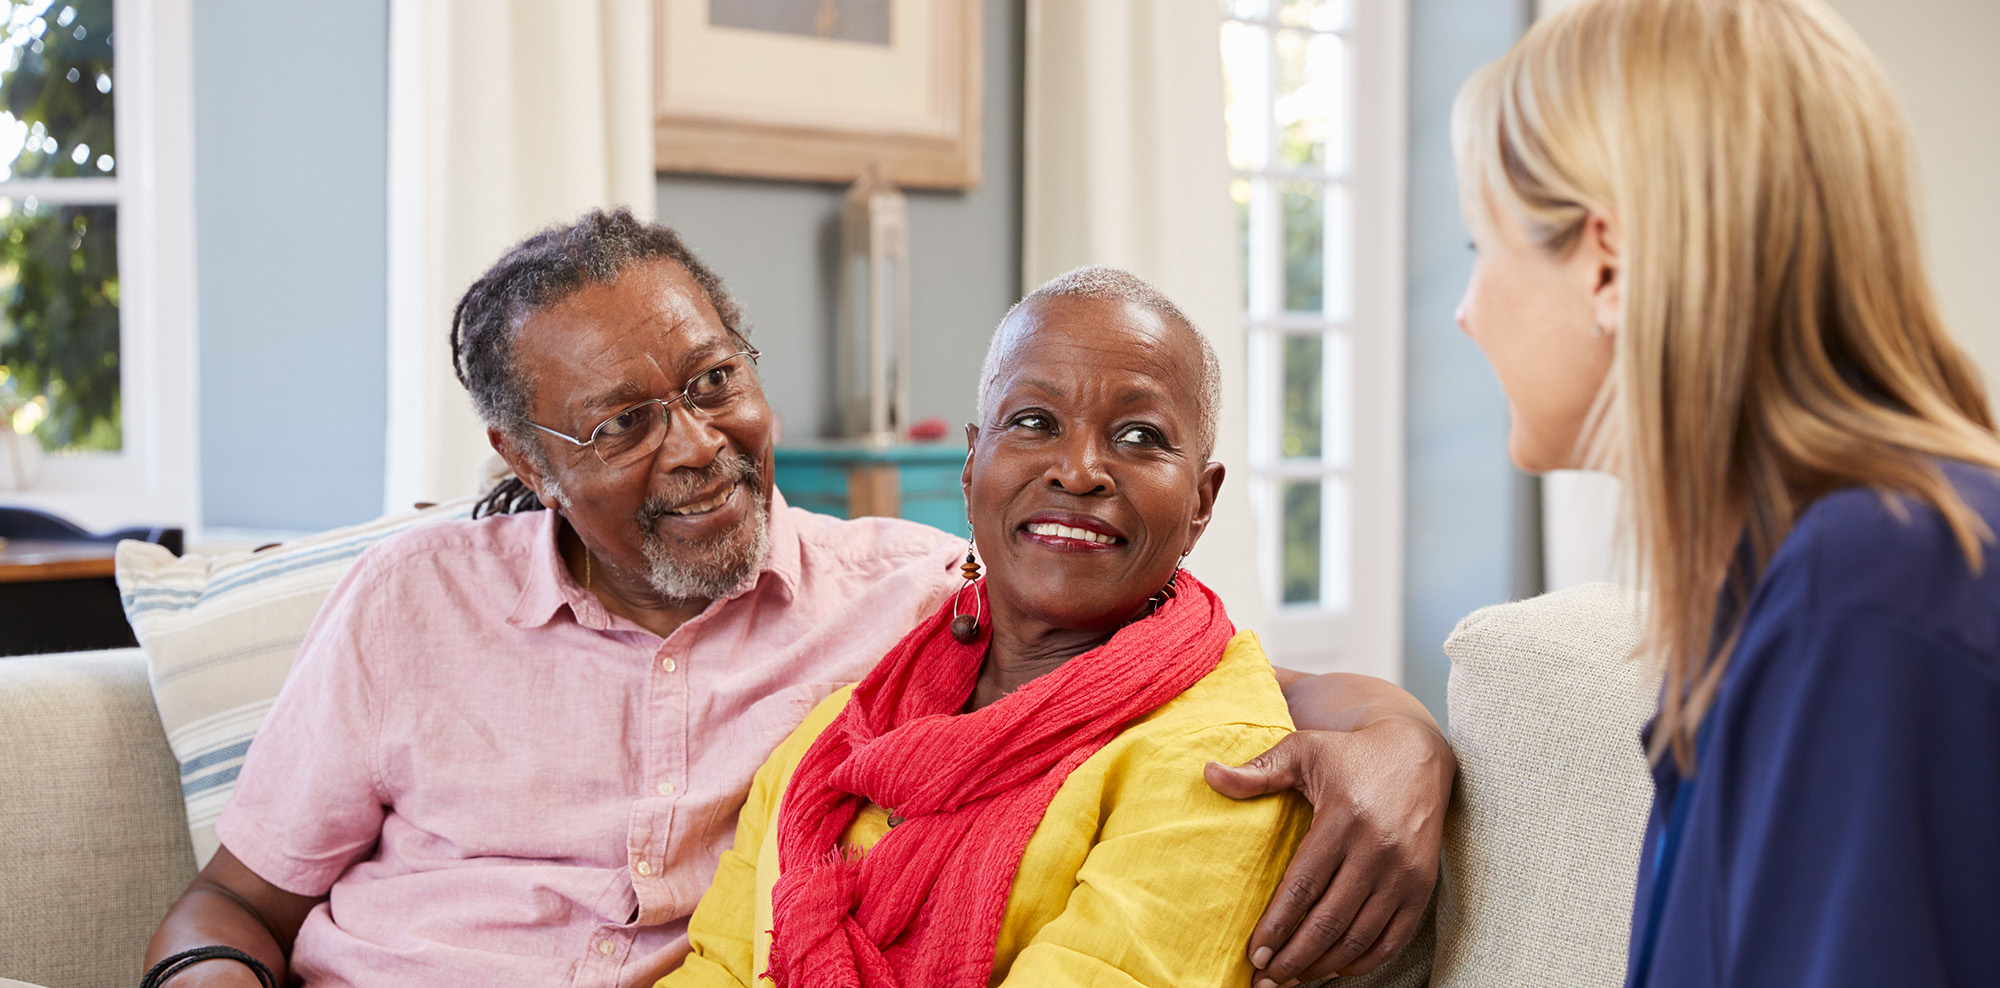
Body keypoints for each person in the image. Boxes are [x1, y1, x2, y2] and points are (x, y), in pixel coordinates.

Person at [142, 211, 1453, 988]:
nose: (699, 447)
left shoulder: (909, 600)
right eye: (621, 424)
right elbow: (234, 906)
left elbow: (1165, 663)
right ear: (525, 462)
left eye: (714, 383)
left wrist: (1404, 735)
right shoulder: (406, 607)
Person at [1452, 0, 2000, 985]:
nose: (1465, 312)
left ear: (1605, 263)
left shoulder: (1872, 584)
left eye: (1476, 249)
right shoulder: (1780, 595)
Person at [660, 267, 1314, 988]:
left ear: (1201, 500)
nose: (1078, 470)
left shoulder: (1221, 757)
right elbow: (716, 964)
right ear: (973, 465)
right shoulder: (835, 735)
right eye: (1034, 422)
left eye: (1138, 435)